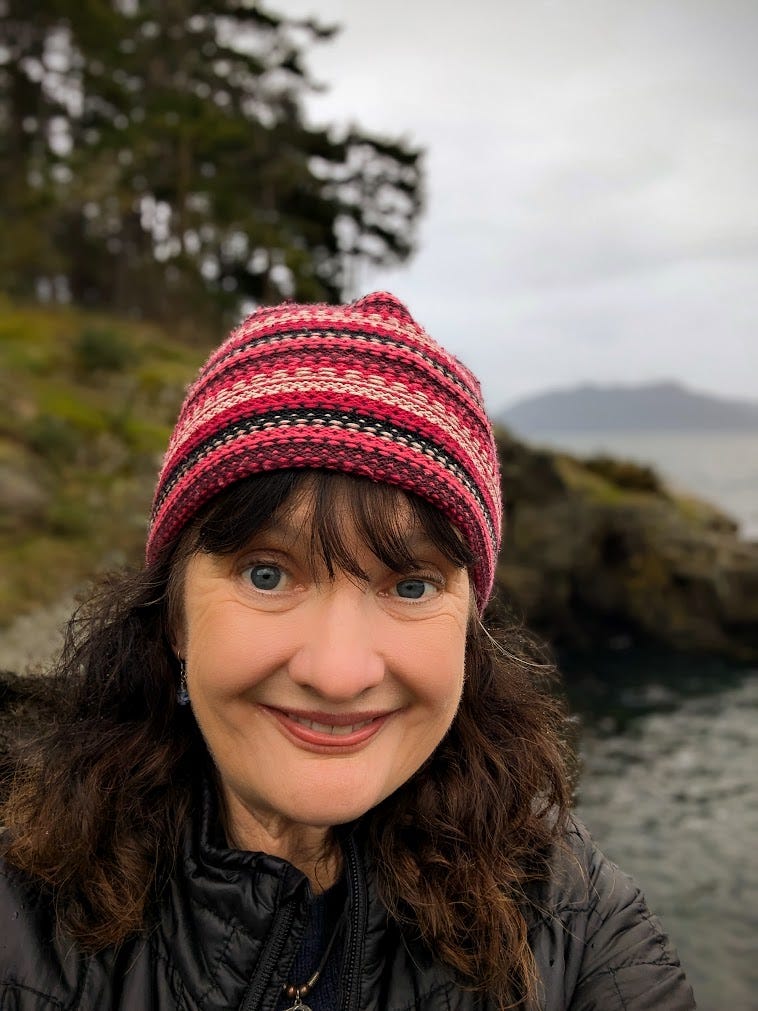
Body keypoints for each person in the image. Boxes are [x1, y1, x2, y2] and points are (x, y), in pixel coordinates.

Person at [0, 292, 694, 1010]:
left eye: (412, 585)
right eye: (267, 573)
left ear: (469, 626)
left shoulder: (572, 923)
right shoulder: (21, 911)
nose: (337, 674)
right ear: (174, 615)